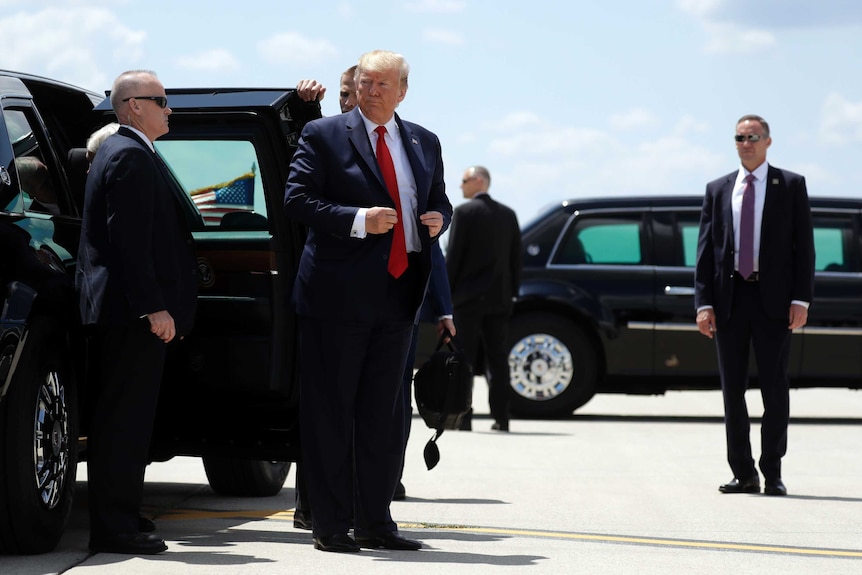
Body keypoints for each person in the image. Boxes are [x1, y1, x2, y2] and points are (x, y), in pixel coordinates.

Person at [283, 50, 451, 553]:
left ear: (402, 90)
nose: (371, 90)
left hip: (400, 297)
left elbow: (438, 199)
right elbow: (297, 200)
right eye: (364, 82)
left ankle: (376, 522)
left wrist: (441, 218)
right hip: (336, 298)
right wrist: (359, 219)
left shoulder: (423, 139)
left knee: (384, 417)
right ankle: (331, 525)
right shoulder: (325, 134)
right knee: (332, 414)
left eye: (382, 83)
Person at [77, 70, 198, 554]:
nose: (169, 109)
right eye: (161, 100)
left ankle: (123, 513)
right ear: (132, 106)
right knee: (123, 425)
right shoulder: (127, 154)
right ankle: (114, 527)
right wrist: (154, 308)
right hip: (131, 313)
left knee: (123, 422)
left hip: (124, 312)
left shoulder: (122, 150)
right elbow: (130, 244)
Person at [694, 114, 815, 497]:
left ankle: (773, 471)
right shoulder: (719, 188)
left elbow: (804, 248)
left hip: (774, 301)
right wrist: (703, 304)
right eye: (739, 137)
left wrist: (801, 299)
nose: (746, 142)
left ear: (768, 141)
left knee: (774, 390)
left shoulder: (791, 185)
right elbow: (705, 252)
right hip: (730, 300)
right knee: (733, 391)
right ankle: (743, 473)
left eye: (753, 136)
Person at [446, 166, 521, 432]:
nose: (460, 186)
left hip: (467, 300)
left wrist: (445, 295)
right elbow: (516, 261)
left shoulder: (464, 213)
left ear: (479, 181)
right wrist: (513, 294)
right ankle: (502, 418)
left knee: (464, 358)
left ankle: (463, 417)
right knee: (498, 359)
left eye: (464, 181)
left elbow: (453, 258)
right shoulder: (508, 215)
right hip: (500, 299)